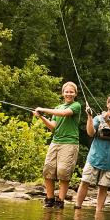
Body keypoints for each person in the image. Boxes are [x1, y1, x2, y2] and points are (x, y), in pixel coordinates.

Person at [33, 81, 81, 209]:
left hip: (69, 143)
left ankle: (60, 201)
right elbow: (53, 127)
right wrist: (41, 117)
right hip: (55, 142)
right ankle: (49, 199)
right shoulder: (57, 107)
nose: (69, 94)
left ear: (75, 94)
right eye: (67, 91)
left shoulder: (76, 106)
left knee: (63, 172)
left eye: (71, 92)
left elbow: (65, 114)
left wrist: (43, 109)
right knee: (48, 170)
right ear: (62, 93)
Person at [74, 95, 110, 211]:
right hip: (94, 157)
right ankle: (77, 208)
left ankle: (98, 213)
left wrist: (108, 121)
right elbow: (90, 133)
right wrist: (89, 116)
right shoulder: (98, 118)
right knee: (84, 182)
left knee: (104, 187)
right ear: (108, 104)